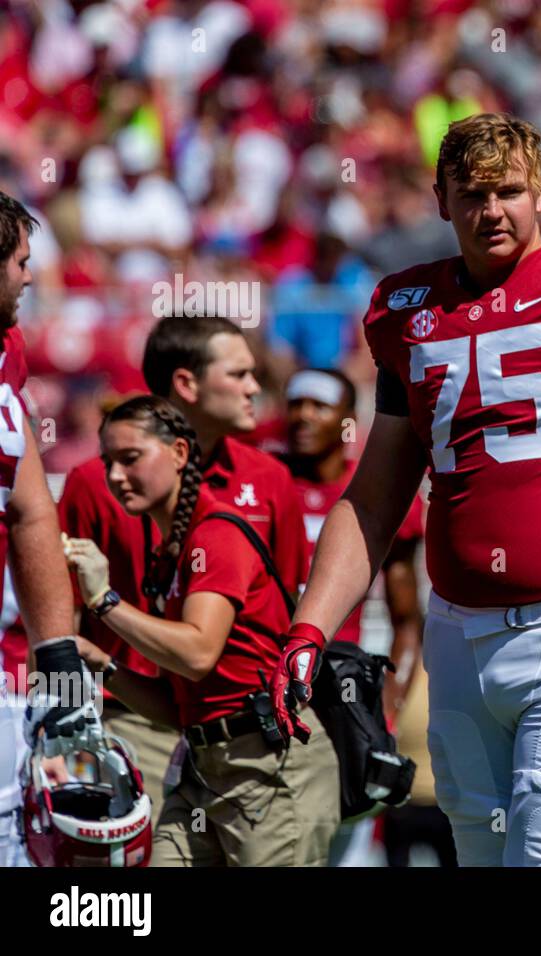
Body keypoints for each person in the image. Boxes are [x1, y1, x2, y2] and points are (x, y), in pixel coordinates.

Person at [269, 112, 541, 866]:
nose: (492, 211)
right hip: (460, 635)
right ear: (439, 200)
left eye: (510, 191)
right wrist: (310, 629)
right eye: (472, 194)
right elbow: (374, 497)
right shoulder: (407, 312)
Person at [55, 314, 310, 823]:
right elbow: (62, 618)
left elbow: (288, 610)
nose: (254, 388)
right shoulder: (93, 481)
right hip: (129, 717)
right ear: (187, 384)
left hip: (247, 727)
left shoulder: (271, 478)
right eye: (238, 375)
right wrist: (61, 728)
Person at [64, 395, 339, 866]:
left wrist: (103, 601)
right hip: (201, 766)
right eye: (108, 461)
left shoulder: (216, 533)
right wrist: (102, 665)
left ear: (179, 454)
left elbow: (197, 653)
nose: (114, 476)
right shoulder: (173, 552)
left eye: (130, 459)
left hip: (266, 768)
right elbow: (179, 707)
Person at [0, 192, 93, 867]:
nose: (32, 278)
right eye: (21, 263)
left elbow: (29, 506)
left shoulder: (6, 348)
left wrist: (59, 669)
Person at [280, 368, 423, 716]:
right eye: (296, 404)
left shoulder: (375, 495)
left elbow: (405, 617)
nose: (304, 416)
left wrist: (389, 709)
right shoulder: (260, 484)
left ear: (349, 420)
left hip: (340, 675)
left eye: (320, 405)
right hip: (266, 669)